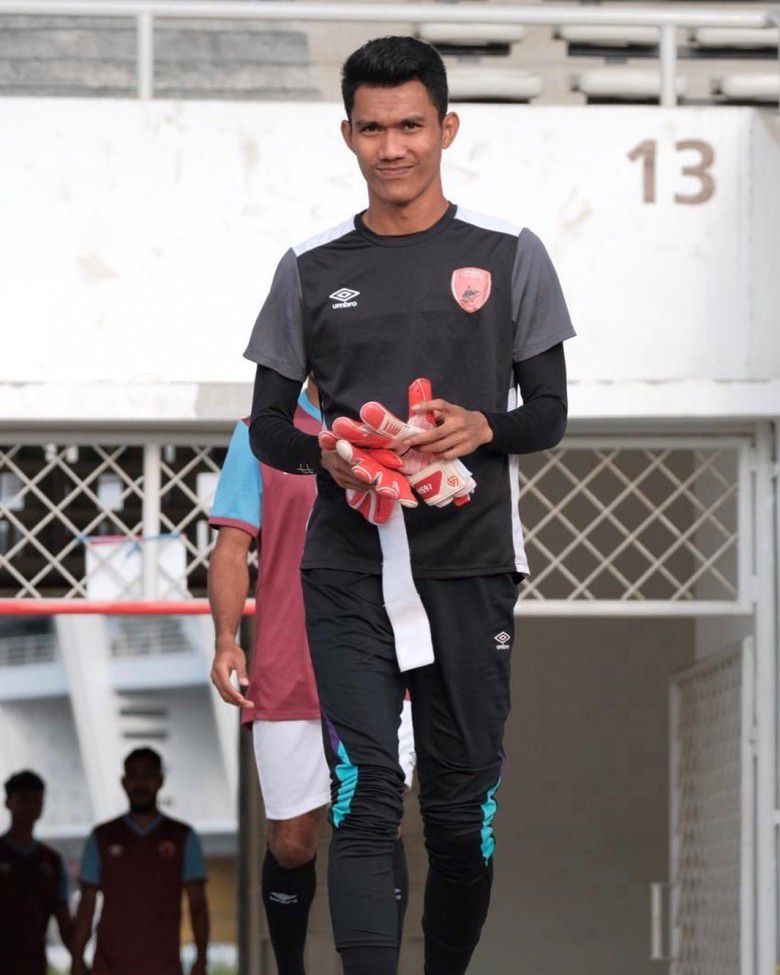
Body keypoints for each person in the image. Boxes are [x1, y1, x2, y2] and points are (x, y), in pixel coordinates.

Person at [244, 36, 575, 975]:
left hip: (471, 564)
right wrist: (328, 455)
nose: (392, 148)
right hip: (348, 566)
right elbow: (267, 426)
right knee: (365, 797)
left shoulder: (509, 253)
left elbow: (549, 414)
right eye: (372, 128)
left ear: (447, 129)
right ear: (347, 134)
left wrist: (482, 426)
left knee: (461, 816)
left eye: (411, 126)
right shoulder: (309, 265)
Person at [207, 374, 415, 975]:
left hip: (381, 658)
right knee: (293, 842)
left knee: (379, 821)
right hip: (287, 661)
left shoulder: (394, 424)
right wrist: (226, 639)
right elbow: (231, 548)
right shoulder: (262, 434)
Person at [71, 747, 209, 975]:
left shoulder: (183, 837)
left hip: (164, 967)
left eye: (148, 775)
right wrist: (77, 958)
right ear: (124, 782)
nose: (141, 783)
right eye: (134, 775)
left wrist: (202, 957)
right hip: (109, 966)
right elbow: (86, 904)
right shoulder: (101, 837)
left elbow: (198, 904)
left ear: (160, 780)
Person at [0, 769, 72, 975]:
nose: (31, 806)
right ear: (8, 802)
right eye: (24, 799)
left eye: (36, 799)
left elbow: (63, 918)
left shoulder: (52, 861)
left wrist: (78, 959)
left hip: (34, 964)